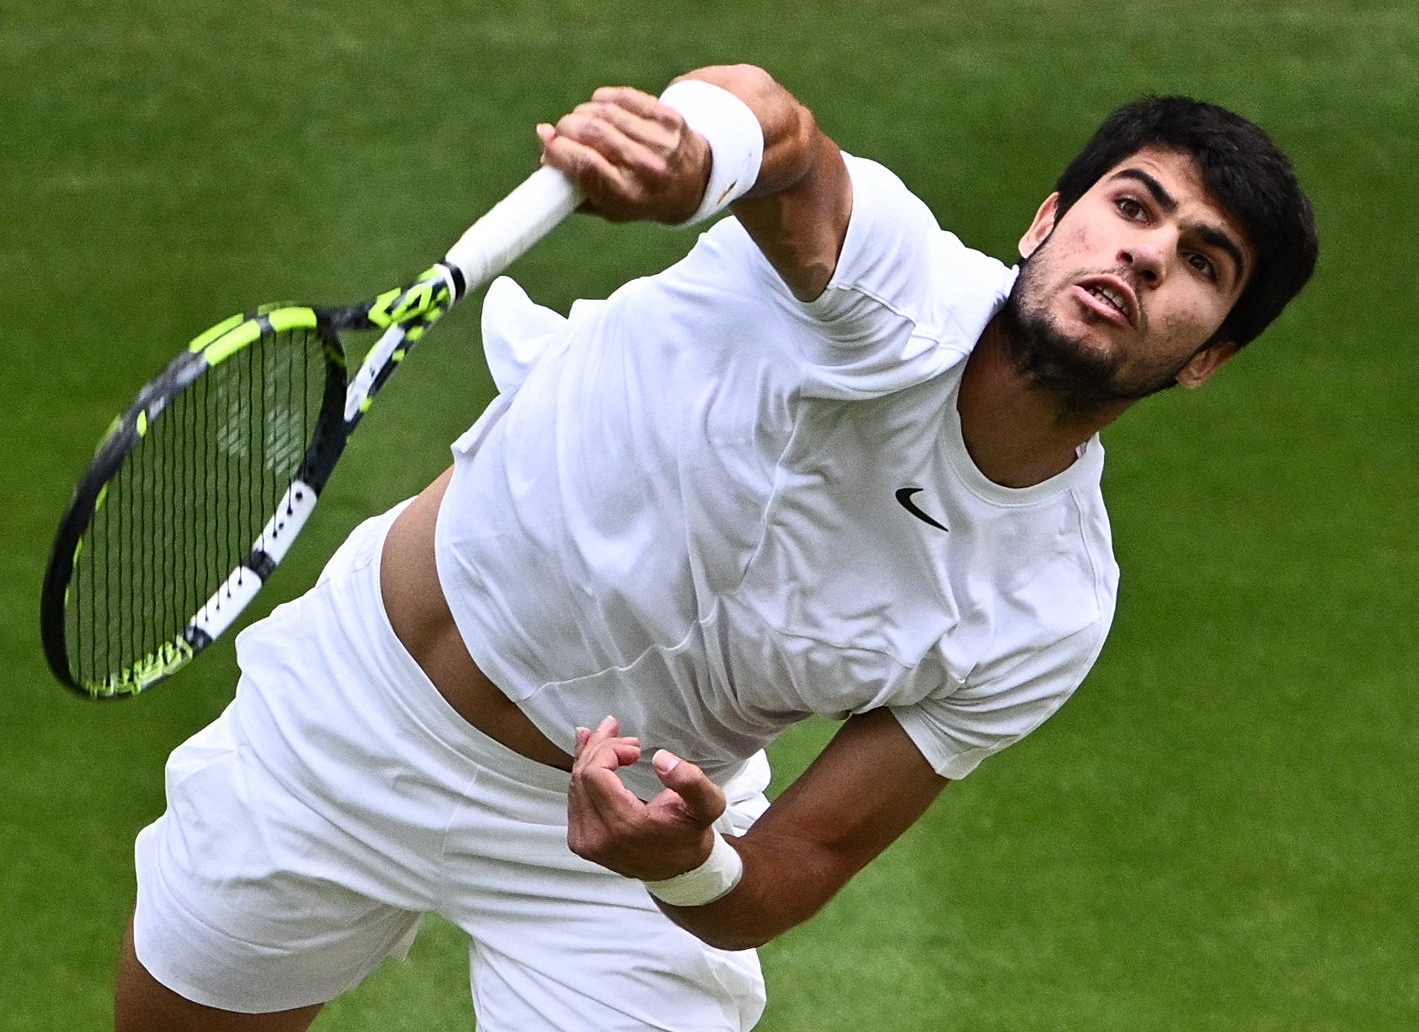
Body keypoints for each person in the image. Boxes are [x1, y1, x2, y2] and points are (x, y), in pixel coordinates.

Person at [116, 63, 1317, 1031]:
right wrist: (695, 154)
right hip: (358, 710)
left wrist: (689, 859)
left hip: (614, 849)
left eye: (1203, 263)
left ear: (1206, 355)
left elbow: (793, 870)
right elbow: (776, 133)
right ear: (1047, 220)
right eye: (1133, 206)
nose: (1149, 254)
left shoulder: (1047, 605)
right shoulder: (886, 277)